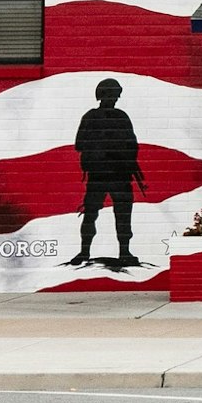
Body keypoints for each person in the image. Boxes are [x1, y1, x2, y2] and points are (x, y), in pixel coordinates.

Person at [67, 78, 146, 269]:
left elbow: (132, 146)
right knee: (90, 214)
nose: (115, 98)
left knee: (123, 215)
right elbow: (80, 144)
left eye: (116, 95)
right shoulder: (91, 117)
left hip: (119, 175)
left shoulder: (121, 117)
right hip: (99, 174)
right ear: (103, 95)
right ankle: (85, 251)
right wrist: (103, 149)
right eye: (112, 94)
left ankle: (124, 252)